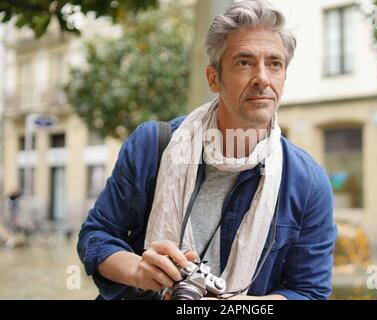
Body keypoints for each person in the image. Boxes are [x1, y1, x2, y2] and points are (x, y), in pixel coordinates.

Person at [77, 0, 337, 300]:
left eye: (274, 64)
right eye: (244, 62)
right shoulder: (151, 145)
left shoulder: (308, 182)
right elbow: (96, 236)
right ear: (214, 78)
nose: (262, 78)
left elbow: (309, 292)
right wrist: (137, 270)